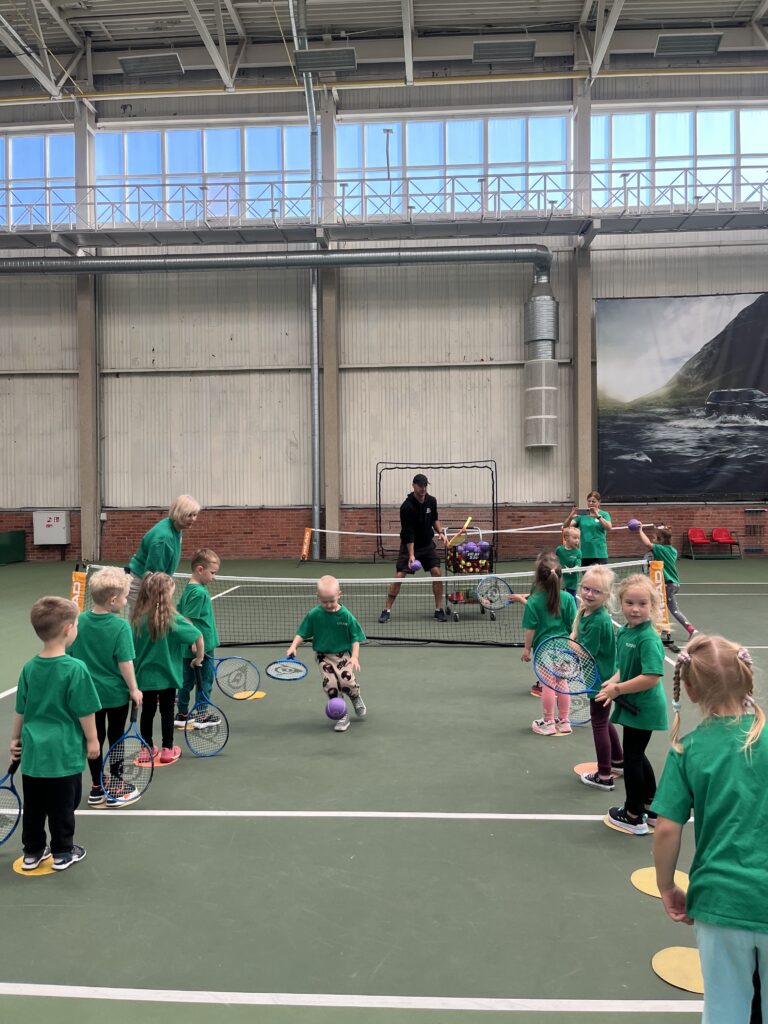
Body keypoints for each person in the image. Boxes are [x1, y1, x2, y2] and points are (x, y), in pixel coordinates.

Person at [652, 636, 767, 1023]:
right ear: (747, 678)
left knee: (724, 1009)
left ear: (690, 690)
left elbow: (666, 828)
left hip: (719, 902)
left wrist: (666, 886)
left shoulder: (688, 749)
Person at [9, 597, 101, 871]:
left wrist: (15, 738)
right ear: (69, 629)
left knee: (34, 807)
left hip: (34, 754)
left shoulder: (29, 667)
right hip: (64, 753)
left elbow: (21, 709)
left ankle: (32, 852)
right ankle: (62, 852)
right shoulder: (76, 668)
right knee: (64, 805)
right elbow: (85, 710)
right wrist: (93, 739)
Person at [595, 573, 668, 835]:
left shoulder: (647, 638)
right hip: (633, 705)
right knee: (637, 754)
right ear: (620, 602)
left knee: (632, 758)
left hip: (644, 707)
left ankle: (633, 814)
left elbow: (651, 677)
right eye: (629, 603)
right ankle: (652, 806)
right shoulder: (626, 631)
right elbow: (624, 667)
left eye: (642, 604)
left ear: (652, 605)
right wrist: (614, 680)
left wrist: (617, 689)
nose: (635, 609)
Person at [68, 567, 143, 808]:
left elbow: (70, 657)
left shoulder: (78, 622)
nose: (126, 600)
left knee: (94, 740)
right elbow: (125, 662)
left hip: (87, 697)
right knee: (116, 738)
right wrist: (134, 689)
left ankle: (97, 787)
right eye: (125, 597)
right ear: (113, 600)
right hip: (115, 695)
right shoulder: (120, 627)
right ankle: (116, 784)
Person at [131, 573, 204, 764]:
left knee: (147, 712)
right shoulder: (172, 619)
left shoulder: (138, 619)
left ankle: (146, 749)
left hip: (144, 677)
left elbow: (131, 649)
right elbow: (198, 635)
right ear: (169, 593)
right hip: (169, 677)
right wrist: (199, 658)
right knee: (167, 712)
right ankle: (167, 749)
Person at [287, 575, 367, 733]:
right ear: (318, 596)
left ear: (339, 595)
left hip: (343, 655)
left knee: (346, 682)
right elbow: (302, 632)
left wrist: (354, 657)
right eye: (324, 601)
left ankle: (355, 696)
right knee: (330, 685)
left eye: (332, 600)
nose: (329, 605)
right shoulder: (314, 614)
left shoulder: (346, 615)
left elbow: (355, 638)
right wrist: (293, 646)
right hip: (323, 656)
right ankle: (342, 715)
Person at [571, 566, 623, 790]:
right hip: (597, 677)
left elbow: (586, 652)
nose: (589, 594)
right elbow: (579, 635)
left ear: (607, 595)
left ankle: (604, 775)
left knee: (599, 722)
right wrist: (573, 635)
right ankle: (618, 761)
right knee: (603, 719)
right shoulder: (585, 611)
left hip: (601, 680)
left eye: (596, 591)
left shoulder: (598, 620)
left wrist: (568, 644)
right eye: (586, 588)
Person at [378, 474, 448, 624]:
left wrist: (440, 532)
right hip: (409, 545)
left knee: (437, 573)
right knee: (399, 575)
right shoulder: (407, 507)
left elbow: (435, 519)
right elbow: (408, 533)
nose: (423, 488)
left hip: (427, 544)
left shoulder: (431, 501)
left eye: (425, 485)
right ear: (414, 486)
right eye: (420, 485)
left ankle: (439, 609)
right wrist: (411, 555)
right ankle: (386, 610)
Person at [521, 551, 577, 733]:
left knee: (548, 685)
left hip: (544, 650)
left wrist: (526, 650)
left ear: (538, 578)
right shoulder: (568, 598)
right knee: (562, 683)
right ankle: (565, 721)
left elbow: (530, 630)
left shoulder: (533, 602)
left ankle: (548, 723)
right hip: (564, 649)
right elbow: (573, 626)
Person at [126, 495, 200, 610]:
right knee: (143, 618)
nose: (193, 519)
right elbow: (153, 574)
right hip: (142, 583)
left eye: (195, 515)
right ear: (179, 514)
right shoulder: (164, 538)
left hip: (152, 579)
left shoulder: (176, 527)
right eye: (189, 515)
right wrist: (161, 595)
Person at [174, 548, 221, 730]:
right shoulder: (199, 593)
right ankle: (201, 715)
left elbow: (180, 614)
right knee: (206, 681)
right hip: (201, 646)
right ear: (200, 570)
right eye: (212, 573)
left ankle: (182, 714)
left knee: (185, 682)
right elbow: (187, 619)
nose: (214, 577)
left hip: (189, 646)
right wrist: (195, 642)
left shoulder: (189, 589)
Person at [636, 524, 696, 638]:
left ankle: (659, 629)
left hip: (667, 584)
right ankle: (688, 629)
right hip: (674, 584)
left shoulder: (660, 549)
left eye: (654, 537)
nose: (652, 539)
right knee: (662, 606)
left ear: (661, 539)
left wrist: (640, 531)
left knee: (664, 608)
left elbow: (647, 544)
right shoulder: (673, 551)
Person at [563, 491, 612, 566]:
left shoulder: (604, 514)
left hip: (599, 553)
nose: (591, 503)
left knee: (600, 574)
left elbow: (609, 528)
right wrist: (570, 517)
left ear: (599, 502)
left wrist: (598, 516)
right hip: (585, 553)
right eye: (589, 501)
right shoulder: (582, 515)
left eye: (593, 501)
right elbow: (565, 527)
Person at [555, 526, 582, 598]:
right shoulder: (559, 550)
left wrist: (572, 570)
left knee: (571, 598)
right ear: (566, 538)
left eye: (578, 538)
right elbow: (554, 561)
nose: (577, 540)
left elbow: (578, 565)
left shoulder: (578, 552)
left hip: (572, 582)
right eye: (575, 538)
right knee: (559, 598)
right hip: (560, 580)